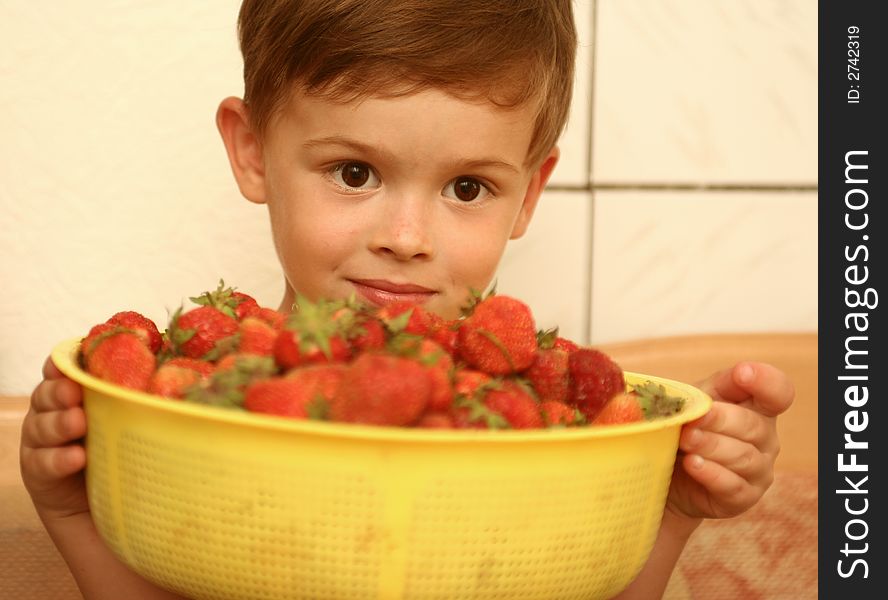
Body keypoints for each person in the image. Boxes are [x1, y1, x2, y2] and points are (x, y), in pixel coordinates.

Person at [19, 1, 795, 598]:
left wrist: (669, 507)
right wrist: (73, 510)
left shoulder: (550, 431)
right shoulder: (196, 407)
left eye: (468, 187)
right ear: (252, 150)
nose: (406, 236)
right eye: (354, 171)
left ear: (528, 193)